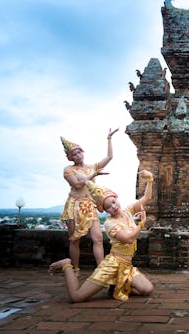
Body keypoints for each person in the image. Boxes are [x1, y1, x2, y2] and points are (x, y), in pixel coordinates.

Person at [49, 170, 155, 303]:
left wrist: (150, 180)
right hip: (112, 265)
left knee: (147, 289)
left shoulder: (127, 211)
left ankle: (116, 286)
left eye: (114, 202)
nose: (114, 207)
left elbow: (146, 198)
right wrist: (141, 225)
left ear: (117, 198)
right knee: (77, 297)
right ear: (104, 210)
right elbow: (129, 239)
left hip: (126, 265)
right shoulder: (110, 223)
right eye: (109, 206)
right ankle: (67, 265)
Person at [59, 128, 118, 273]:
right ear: (70, 158)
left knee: (97, 238)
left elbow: (109, 157)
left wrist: (109, 139)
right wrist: (94, 174)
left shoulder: (91, 167)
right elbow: (78, 185)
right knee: (74, 240)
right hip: (75, 206)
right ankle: (75, 269)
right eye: (74, 154)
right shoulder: (68, 169)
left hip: (89, 205)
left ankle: (101, 270)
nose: (78, 155)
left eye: (79, 152)